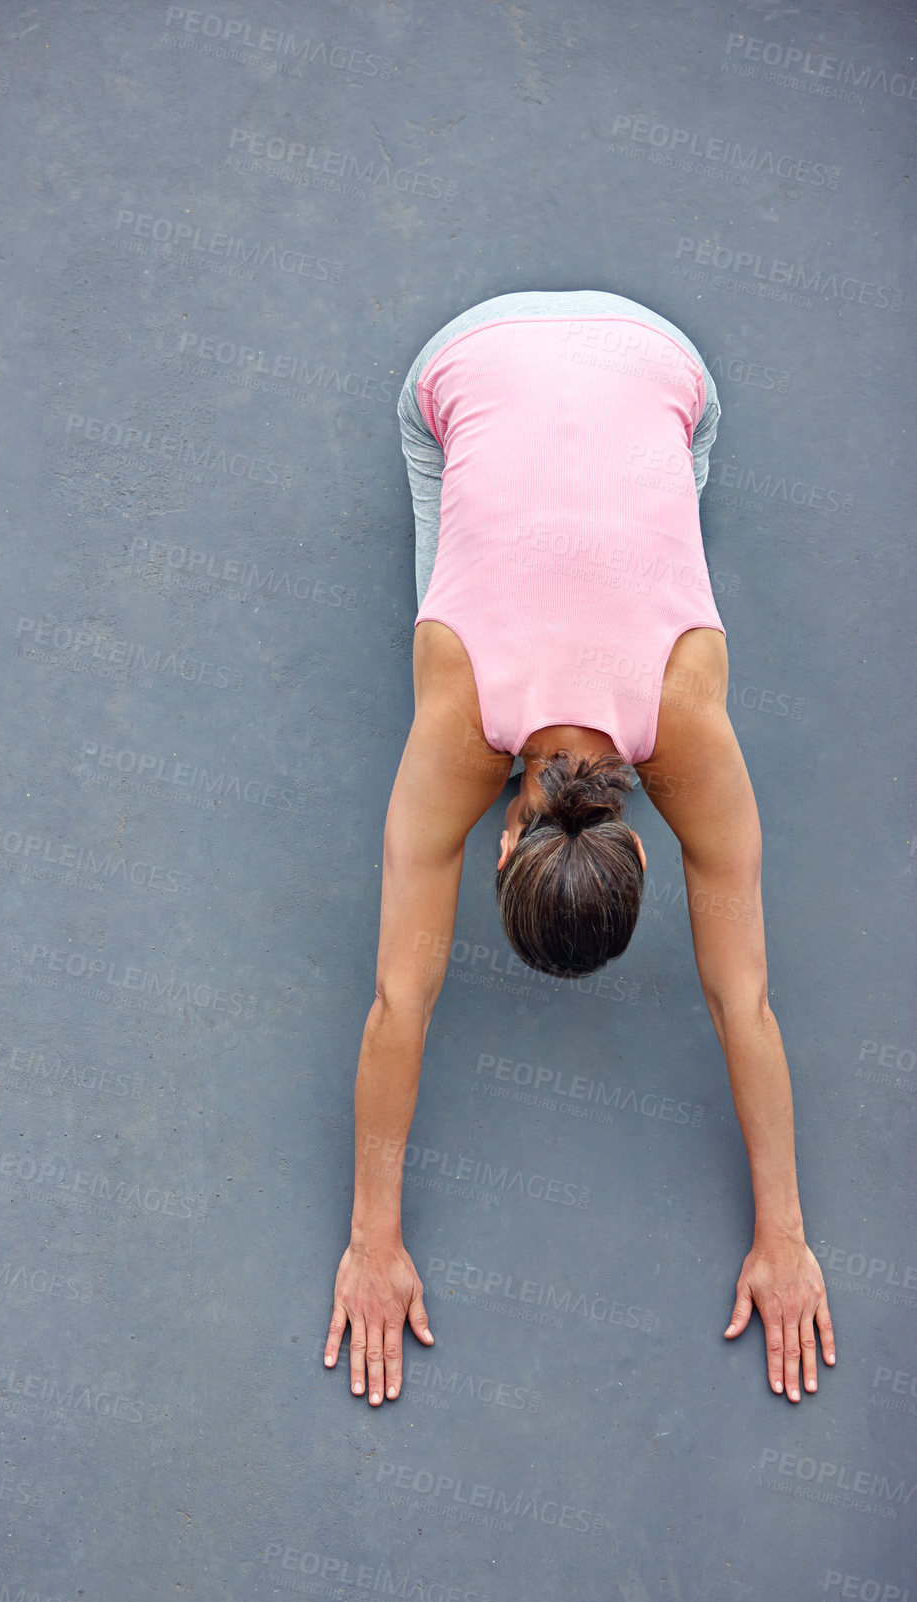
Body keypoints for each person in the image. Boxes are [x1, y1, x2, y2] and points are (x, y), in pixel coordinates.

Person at [324, 289, 835, 1409]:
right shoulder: (456, 716)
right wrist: (781, 1238)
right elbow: (738, 1004)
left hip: (657, 366)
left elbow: (398, 1006)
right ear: (506, 833)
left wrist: (376, 1239)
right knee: (450, 595)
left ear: (637, 853)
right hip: (467, 368)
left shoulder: (671, 723)